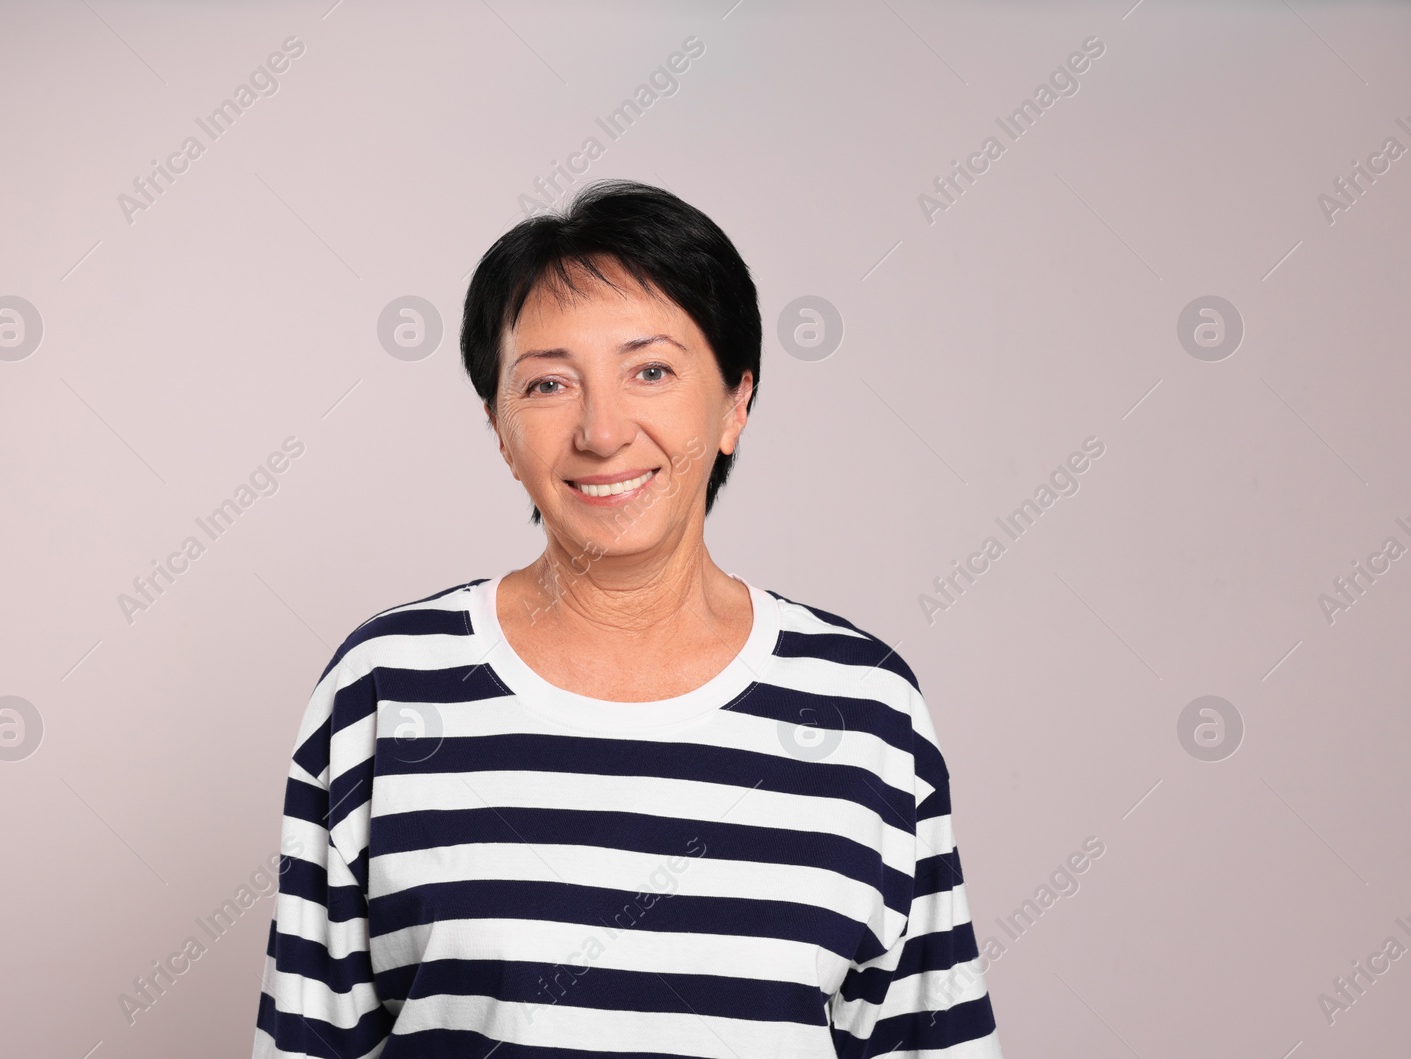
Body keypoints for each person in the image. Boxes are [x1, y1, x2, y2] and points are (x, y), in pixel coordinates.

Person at [252, 179, 1004, 1057]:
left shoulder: (860, 705)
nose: (602, 431)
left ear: (734, 403)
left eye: (651, 370)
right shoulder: (386, 686)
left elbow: (930, 1039)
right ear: (498, 426)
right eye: (547, 384)